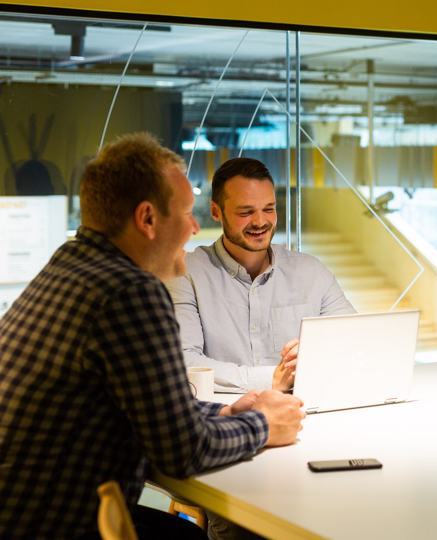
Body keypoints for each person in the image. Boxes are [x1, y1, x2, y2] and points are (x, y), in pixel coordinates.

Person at [0, 133, 305, 539]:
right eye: (185, 212)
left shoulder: (70, 266)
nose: (195, 227)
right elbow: (183, 451)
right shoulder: (130, 292)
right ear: (147, 219)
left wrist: (228, 413)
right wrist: (264, 425)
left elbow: (151, 411)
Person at [166, 157, 355, 393]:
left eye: (269, 209)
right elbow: (183, 362)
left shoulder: (312, 272)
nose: (260, 222)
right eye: (246, 212)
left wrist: (313, 356)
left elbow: (353, 342)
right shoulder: (186, 274)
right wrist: (275, 379)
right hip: (225, 419)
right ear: (216, 212)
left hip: (307, 412)